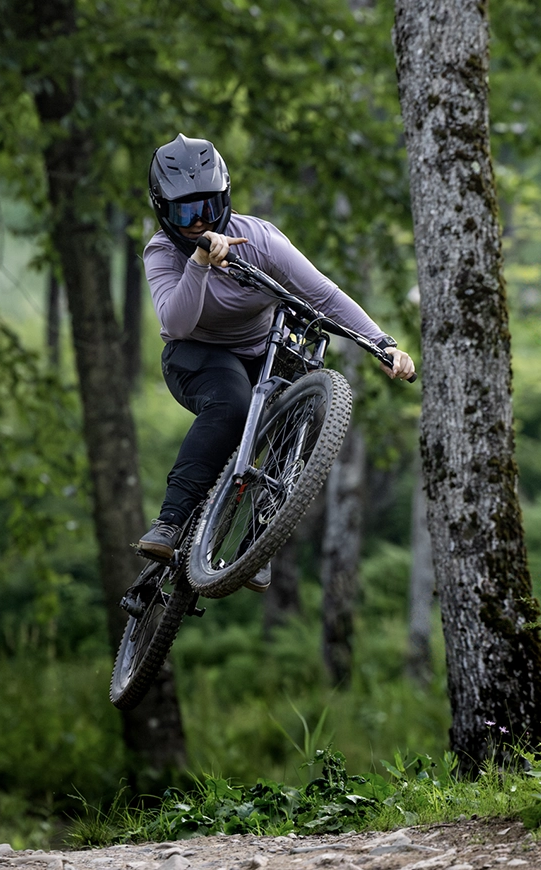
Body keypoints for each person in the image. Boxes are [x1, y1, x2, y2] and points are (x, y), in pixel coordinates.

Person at [137, 134, 416, 589]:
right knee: (231, 402)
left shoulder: (261, 241)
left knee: (311, 408)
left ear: (225, 199)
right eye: (187, 213)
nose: (201, 221)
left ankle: (258, 536)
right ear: (164, 213)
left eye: (209, 207)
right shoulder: (164, 253)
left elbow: (322, 294)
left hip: (263, 351)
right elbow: (178, 322)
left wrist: (381, 344)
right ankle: (169, 524)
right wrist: (201, 263)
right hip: (196, 357)